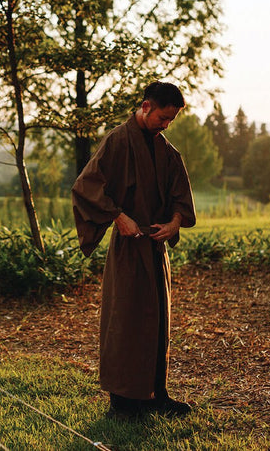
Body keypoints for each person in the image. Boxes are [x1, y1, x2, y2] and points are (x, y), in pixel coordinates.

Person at [71, 81, 196, 417]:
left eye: (171, 120)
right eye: (162, 117)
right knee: (127, 321)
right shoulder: (117, 140)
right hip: (128, 248)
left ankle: (156, 395)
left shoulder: (167, 151)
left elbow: (181, 199)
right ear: (145, 107)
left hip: (155, 250)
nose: (166, 124)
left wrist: (173, 224)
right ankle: (123, 402)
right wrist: (117, 216)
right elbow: (86, 187)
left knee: (157, 321)